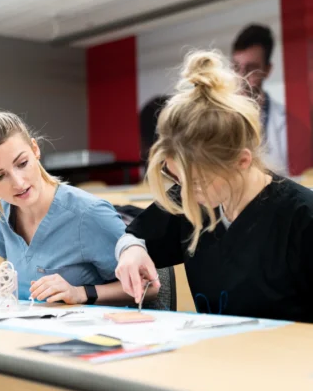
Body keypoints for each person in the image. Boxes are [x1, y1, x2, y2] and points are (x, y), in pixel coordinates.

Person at [115, 50, 313, 322]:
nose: (185, 194)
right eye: (177, 179)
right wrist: (131, 251)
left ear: (242, 161)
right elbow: (135, 234)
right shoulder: (196, 199)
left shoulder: (302, 219)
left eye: (197, 181)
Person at [0, 106, 145, 305]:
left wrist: (80, 293)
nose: (18, 183)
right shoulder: (3, 211)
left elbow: (148, 287)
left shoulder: (88, 214)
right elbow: (16, 271)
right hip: (26, 332)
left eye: (22, 164)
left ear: (35, 150)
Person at [231, 24, 288, 174]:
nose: (241, 78)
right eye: (236, 68)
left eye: (250, 69)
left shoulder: (286, 124)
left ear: (267, 70)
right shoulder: (218, 118)